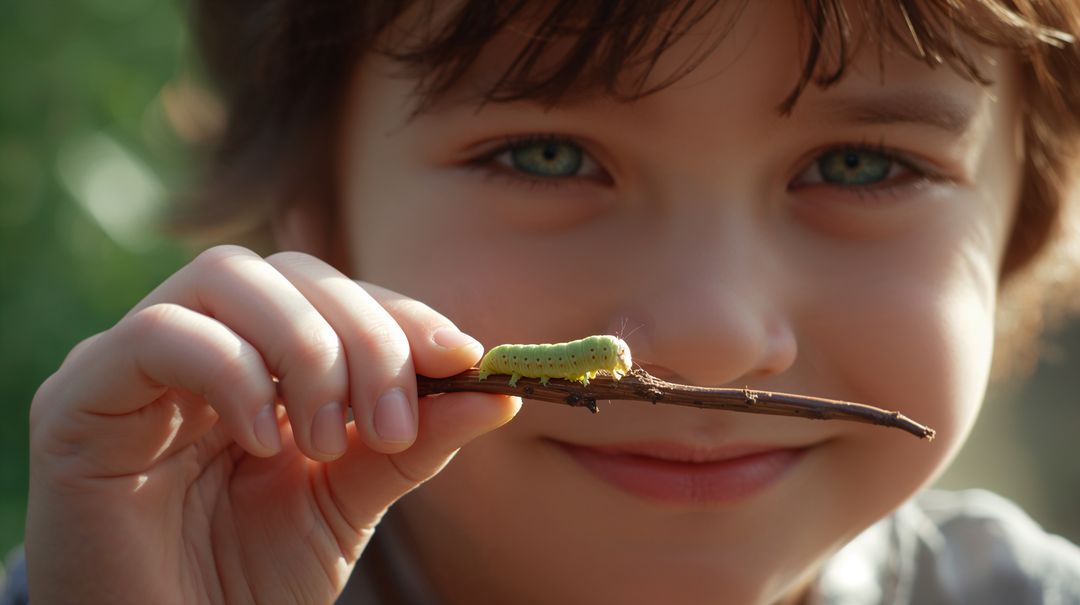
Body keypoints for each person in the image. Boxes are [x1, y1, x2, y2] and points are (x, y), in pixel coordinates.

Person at [13, 1, 1080, 603]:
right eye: (548, 153)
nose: (713, 331)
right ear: (314, 212)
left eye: (858, 165)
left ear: (1020, 223)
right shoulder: (129, 576)